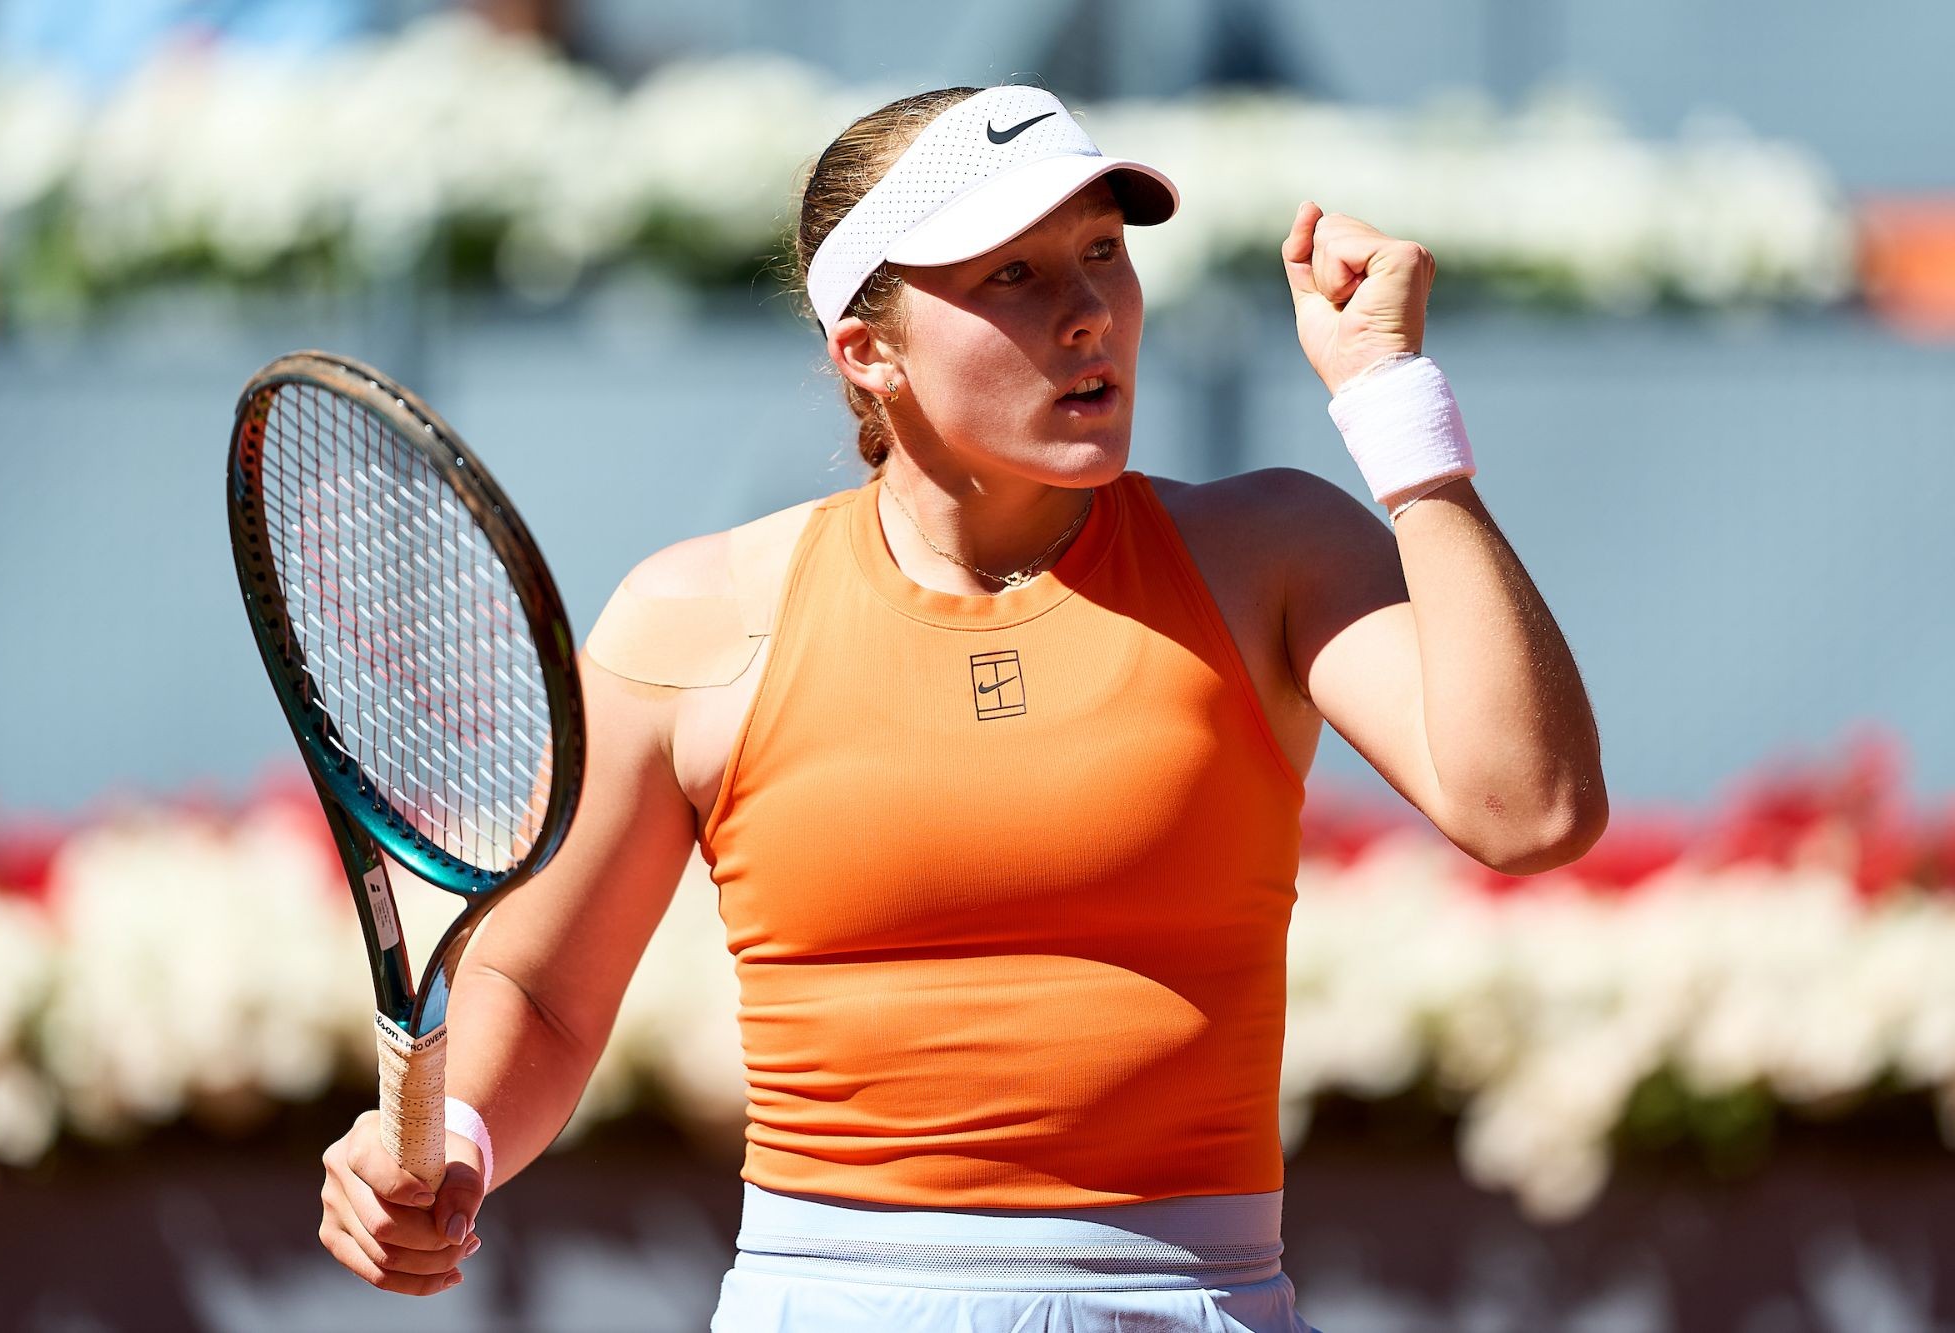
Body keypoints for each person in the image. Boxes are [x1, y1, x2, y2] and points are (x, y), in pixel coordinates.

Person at [316, 83, 1607, 1331]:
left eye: (1101, 252)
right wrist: (455, 1135)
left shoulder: (1271, 554)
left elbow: (1532, 809)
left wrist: (1393, 405)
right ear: (868, 351)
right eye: (1014, 275)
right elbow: (543, 994)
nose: (1088, 313)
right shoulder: (698, 615)